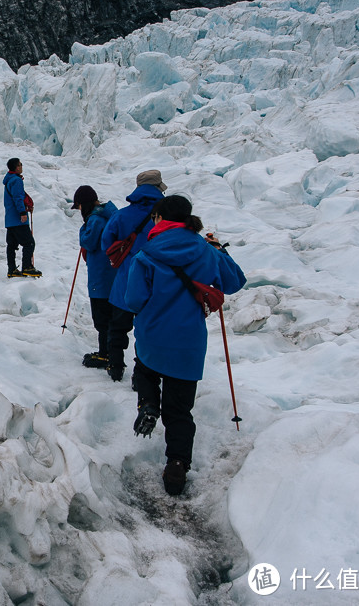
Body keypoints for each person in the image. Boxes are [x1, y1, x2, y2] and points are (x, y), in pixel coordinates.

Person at [124, 195, 246, 496]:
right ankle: (177, 465)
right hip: (188, 343)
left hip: (152, 335)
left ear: (161, 219)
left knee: (145, 370)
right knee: (179, 409)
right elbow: (234, 282)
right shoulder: (205, 251)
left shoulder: (146, 255)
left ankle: (149, 403)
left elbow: (133, 300)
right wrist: (219, 251)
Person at [99, 169, 167, 381]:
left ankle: (116, 367)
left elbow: (106, 244)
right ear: (158, 189)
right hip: (156, 283)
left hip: (126, 282)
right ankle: (142, 377)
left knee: (118, 327)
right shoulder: (166, 218)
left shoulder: (122, 215)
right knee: (147, 331)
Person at [72, 185, 119, 369]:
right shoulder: (109, 216)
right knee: (112, 317)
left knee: (102, 318)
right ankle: (112, 355)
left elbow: (89, 242)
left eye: (79, 207)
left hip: (101, 276)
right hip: (113, 274)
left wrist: (83, 230)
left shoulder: (95, 220)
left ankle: (105, 355)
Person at [3, 158, 42, 278]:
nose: (21, 166)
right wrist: (22, 213)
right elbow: (18, 198)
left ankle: (12, 270)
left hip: (10, 220)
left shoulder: (9, 180)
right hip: (18, 220)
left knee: (12, 245)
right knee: (29, 243)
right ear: (17, 167)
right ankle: (27, 267)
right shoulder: (16, 181)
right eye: (20, 165)